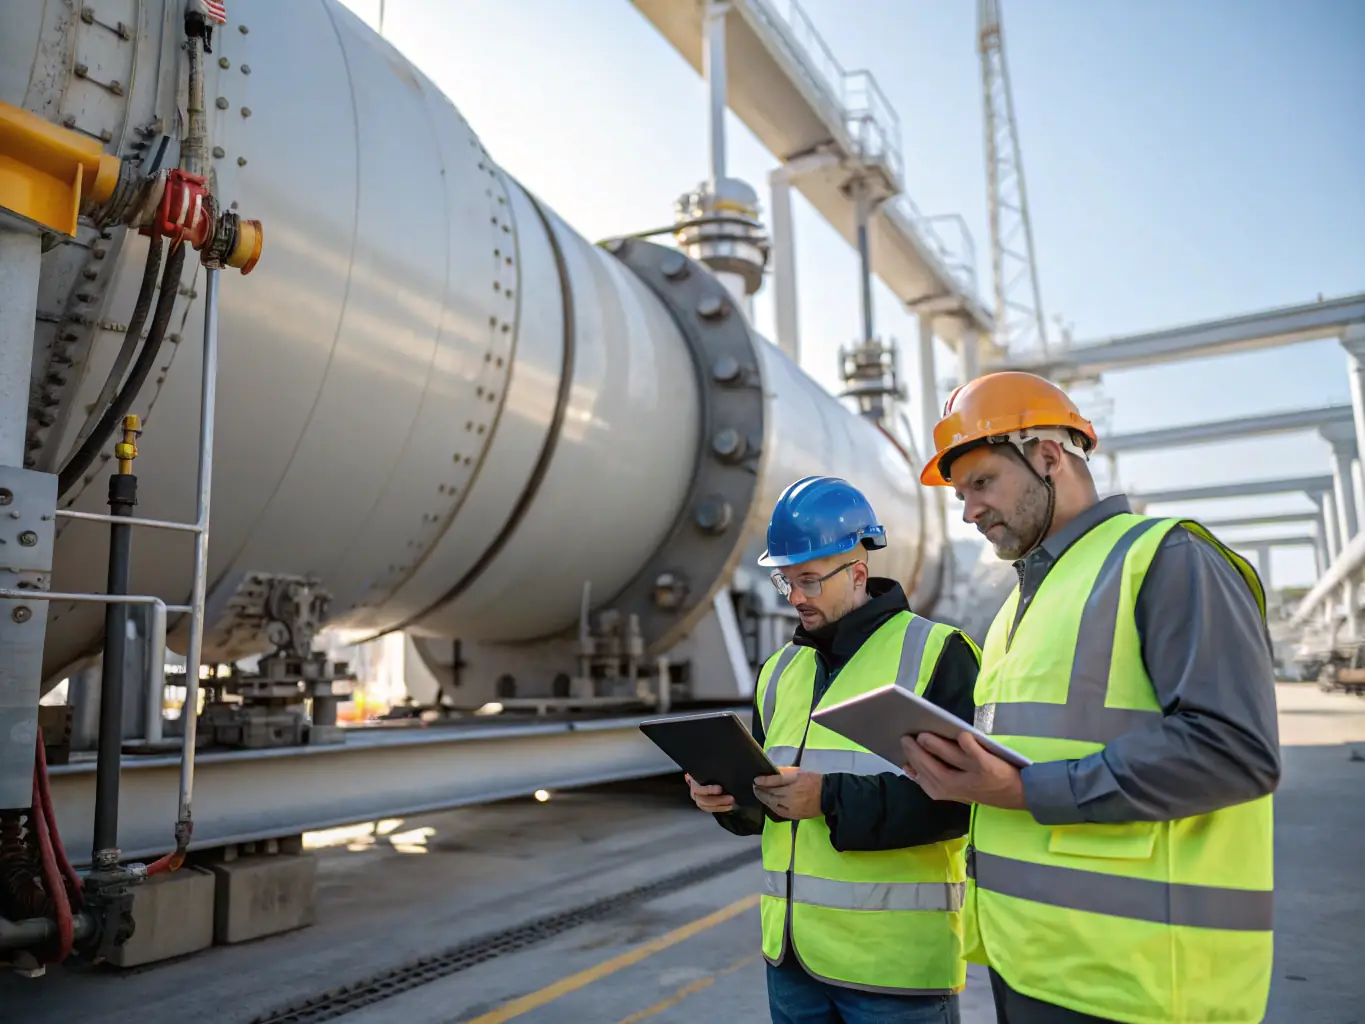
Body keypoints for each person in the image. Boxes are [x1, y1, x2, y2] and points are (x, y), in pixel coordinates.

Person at [901, 371, 1280, 1024]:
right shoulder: (1018, 605)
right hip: (1030, 965)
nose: (968, 512)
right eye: (960, 495)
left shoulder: (1166, 557)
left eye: (982, 482)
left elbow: (1233, 750)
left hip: (1142, 985)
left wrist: (1024, 790)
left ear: (1048, 456)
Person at [687, 475, 982, 1024]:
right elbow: (767, 812)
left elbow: (964, 803)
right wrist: (726, 799)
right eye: (785, 582)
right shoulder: (779, 673)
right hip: (792, 962)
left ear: (858, 573)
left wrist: (828, 798)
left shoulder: (937, 655)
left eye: (809, 581)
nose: (795, 597)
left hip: (893, 971)